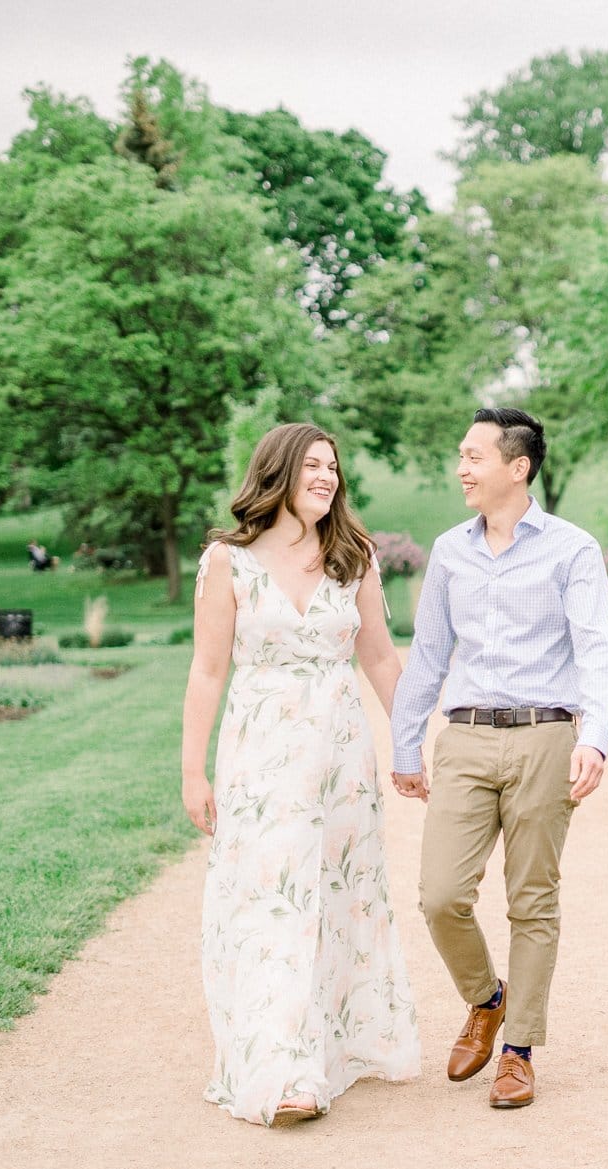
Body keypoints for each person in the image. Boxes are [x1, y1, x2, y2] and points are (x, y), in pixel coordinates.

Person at [181, 422, 420, 1126]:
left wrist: (407, 745)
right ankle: (282, 1070)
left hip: (341, 757)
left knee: (339, 894)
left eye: (334, 467)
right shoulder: (228, 562)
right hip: (261, 757)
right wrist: (192, 771)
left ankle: (335, 1043)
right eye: (313, 465)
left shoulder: (354, 558)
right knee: (273, 902)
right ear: (277, 471)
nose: (326, 477)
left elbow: (379, 658)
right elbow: (207, 670)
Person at [390, 407, 608, 1110]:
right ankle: (486, 997)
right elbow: (428, 653)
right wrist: (406, 743)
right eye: (460, 455)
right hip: (463, 737)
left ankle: (519, 1049)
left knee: (533, 899)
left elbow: (599, 649)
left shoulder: (571, 549)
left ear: (516, 467)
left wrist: (595, 735)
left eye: (473, 456)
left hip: (545, 735)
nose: (462, 468)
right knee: (439, 895)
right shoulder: (449, 551)